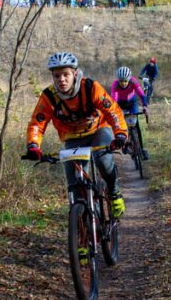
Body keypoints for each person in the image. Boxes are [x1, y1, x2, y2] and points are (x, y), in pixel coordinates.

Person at [26, 52, 128, 217]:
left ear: (74, 73)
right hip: (72, 138)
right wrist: (33, 145)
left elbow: (113, 111)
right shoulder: (49, 97)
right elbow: (37, 123)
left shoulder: (91, 87)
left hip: (98, 130)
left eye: (66, 74)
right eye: (57, 75)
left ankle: (114, 193)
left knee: (102, 159)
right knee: (75, 185)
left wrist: (121, 134)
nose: (62, 79)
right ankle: (83, 232)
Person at [111, 66, 149, 160]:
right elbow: (114, 101)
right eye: (121, 81)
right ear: (118, 80)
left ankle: (142, 149)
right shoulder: (115, 85)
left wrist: (145, 106)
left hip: (132, 103)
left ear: (129, 79)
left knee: (136, 125)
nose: (123, 83)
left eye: (125, 81)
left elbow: (141, 94)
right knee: (123, 124)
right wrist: (115, 112)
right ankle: (126, 143)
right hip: (120, 104)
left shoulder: (133, 81)